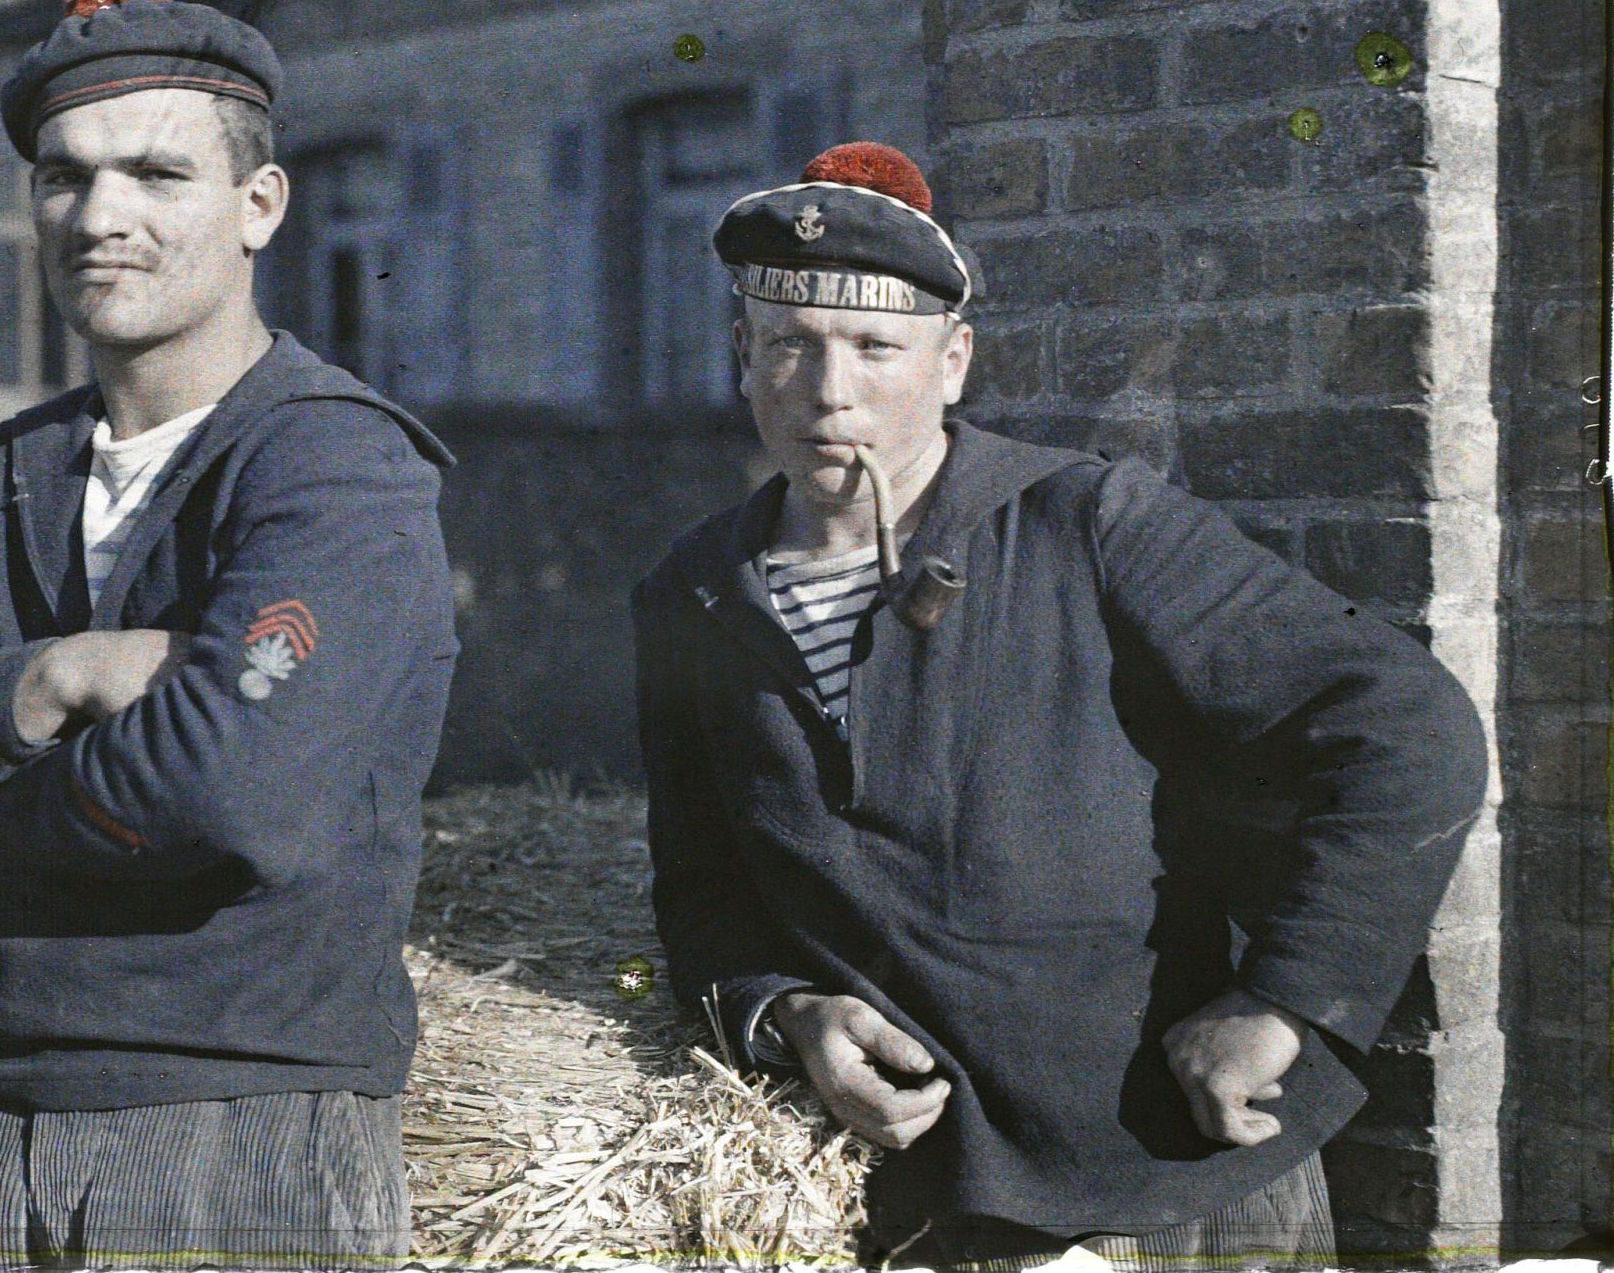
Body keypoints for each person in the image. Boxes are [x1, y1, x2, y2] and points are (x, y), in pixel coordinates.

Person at [632, 141, 1488, 1269]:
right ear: (743, 355)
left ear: (951, 364)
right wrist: (788, 1011)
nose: (830, 391)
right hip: (919, 1199)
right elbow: (703, 885)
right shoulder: (692, 594)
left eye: (875, 347)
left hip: (1167, 1172)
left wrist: (1284, 998)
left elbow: (1405, 723)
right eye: (791, 343)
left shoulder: (1084, 522)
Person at [0, 0, 457, 1270]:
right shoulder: (6, 474)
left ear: (259, 205)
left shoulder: (334, 464)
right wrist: (57, 677)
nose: (99, 215)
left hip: (231, 1113)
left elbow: (229, 794)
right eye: (64, 175)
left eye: (157, 174)